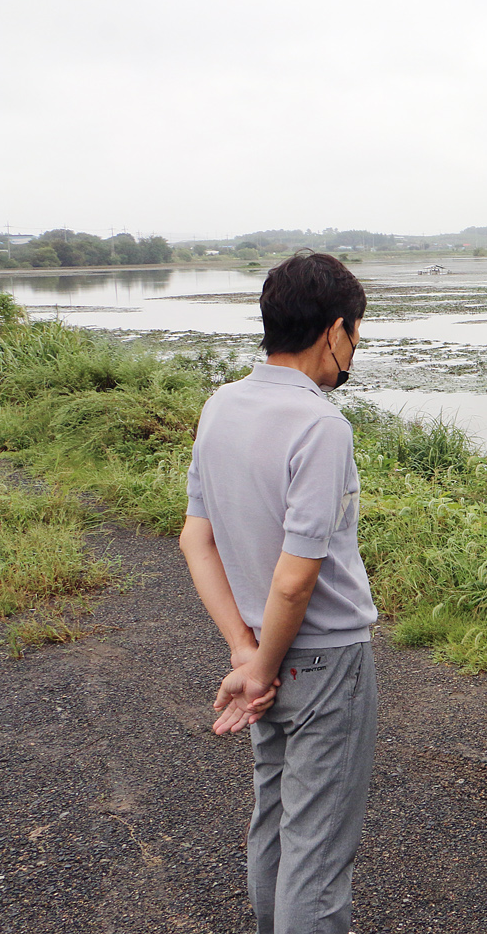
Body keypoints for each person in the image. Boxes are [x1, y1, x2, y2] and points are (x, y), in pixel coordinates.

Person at [179, 251, 378, 934]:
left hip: (262, 651)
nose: (353, 351)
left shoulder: (220, 406)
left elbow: (195, 539)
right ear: (334, 331)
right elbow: (297, 577)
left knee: (276, 820)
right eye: (356, 335)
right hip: (324, 660)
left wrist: (247, 653)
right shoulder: (321, 424)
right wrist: (258, 670)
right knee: (317, 852)